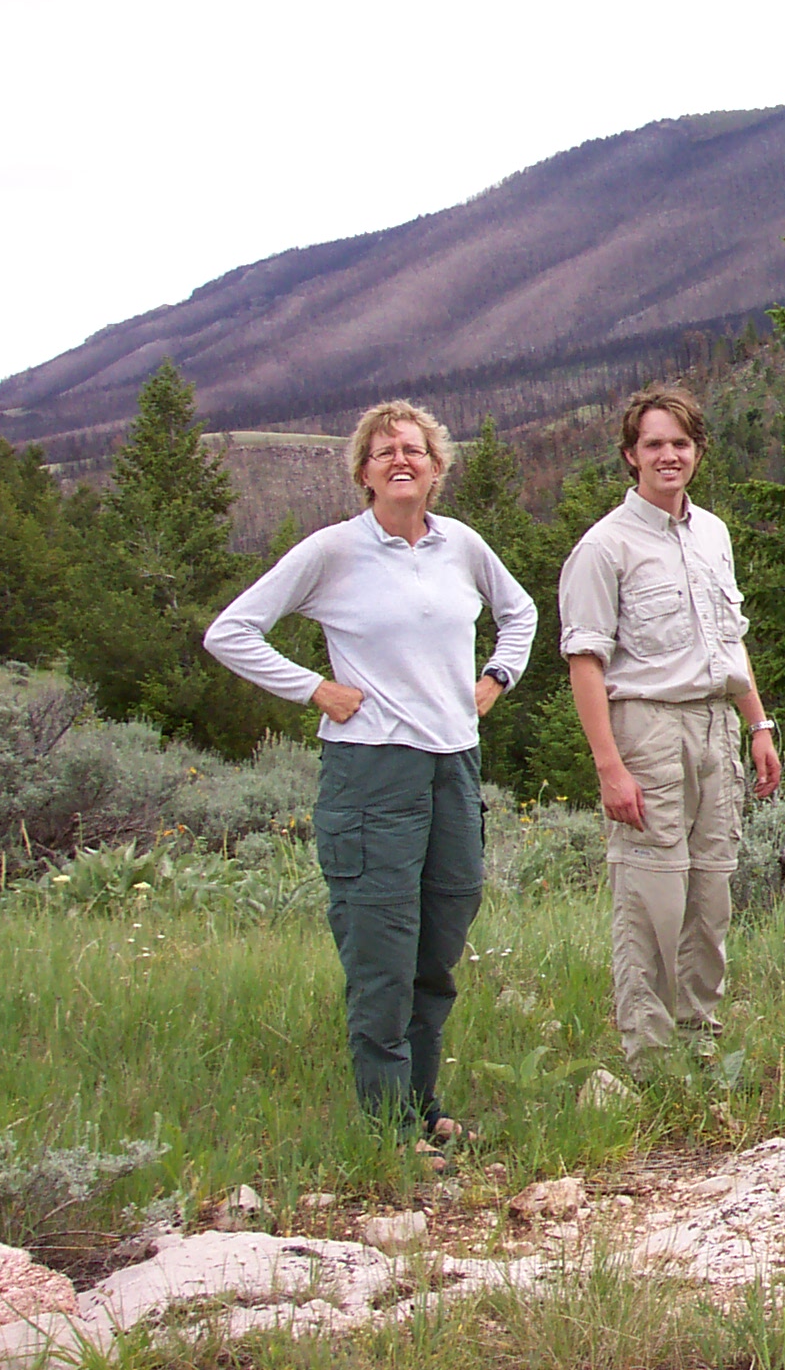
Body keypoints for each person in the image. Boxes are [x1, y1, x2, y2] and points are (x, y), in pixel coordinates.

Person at [204, 399, 535, 1155]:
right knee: (382, 947)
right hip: (373, 771)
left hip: (453, 767)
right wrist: (314, 689)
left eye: (414, 449)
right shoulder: (334, 552)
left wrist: (497, 678)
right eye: (384, 451)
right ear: (364, 472)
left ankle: (422, 1108)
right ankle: (390, 1131)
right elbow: (230, 631)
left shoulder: (461, 547)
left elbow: (519, 613)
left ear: (437, 466)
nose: (401, 460)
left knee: (437, 945)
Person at [559, 385, 781, 1069]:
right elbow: (586, 661)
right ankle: (650, 1062)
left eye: (680, 444)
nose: (668, 456)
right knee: (652, 897)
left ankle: (701, 1049)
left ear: (697, 451)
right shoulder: (605, 547)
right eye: (653, 444)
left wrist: (758, 723)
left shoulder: (712, 535)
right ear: (631, 455)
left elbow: (728, 637)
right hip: (647, 731)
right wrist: (610, 767)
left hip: (718, 727)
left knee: (710, 896)